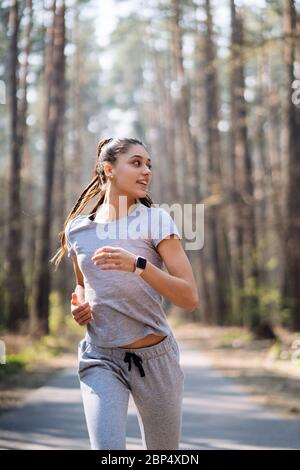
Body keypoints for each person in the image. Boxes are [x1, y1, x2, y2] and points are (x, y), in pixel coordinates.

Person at [51, 137, 199, 450]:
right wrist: (79, 303)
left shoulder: (155, 221)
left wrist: (139, 265)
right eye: (136, 163)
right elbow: (82, 284)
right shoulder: (78, 229)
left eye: (149, 165)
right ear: (109, 169)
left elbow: (189, 298)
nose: (146, 171)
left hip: (155, 358)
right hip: (100, 356)